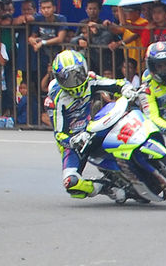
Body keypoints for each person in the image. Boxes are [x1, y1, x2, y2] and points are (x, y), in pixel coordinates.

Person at [45, 50, 135, 202]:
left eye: (77, 75)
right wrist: (73, 140)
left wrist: (127, 89)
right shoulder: (55, 99)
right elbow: (59, 134)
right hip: (74, 143)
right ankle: (103, 187)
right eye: (67, 78)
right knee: (71, 184)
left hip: (93, 128)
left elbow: (117, 83)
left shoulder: (90, 80)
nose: (74, 82)